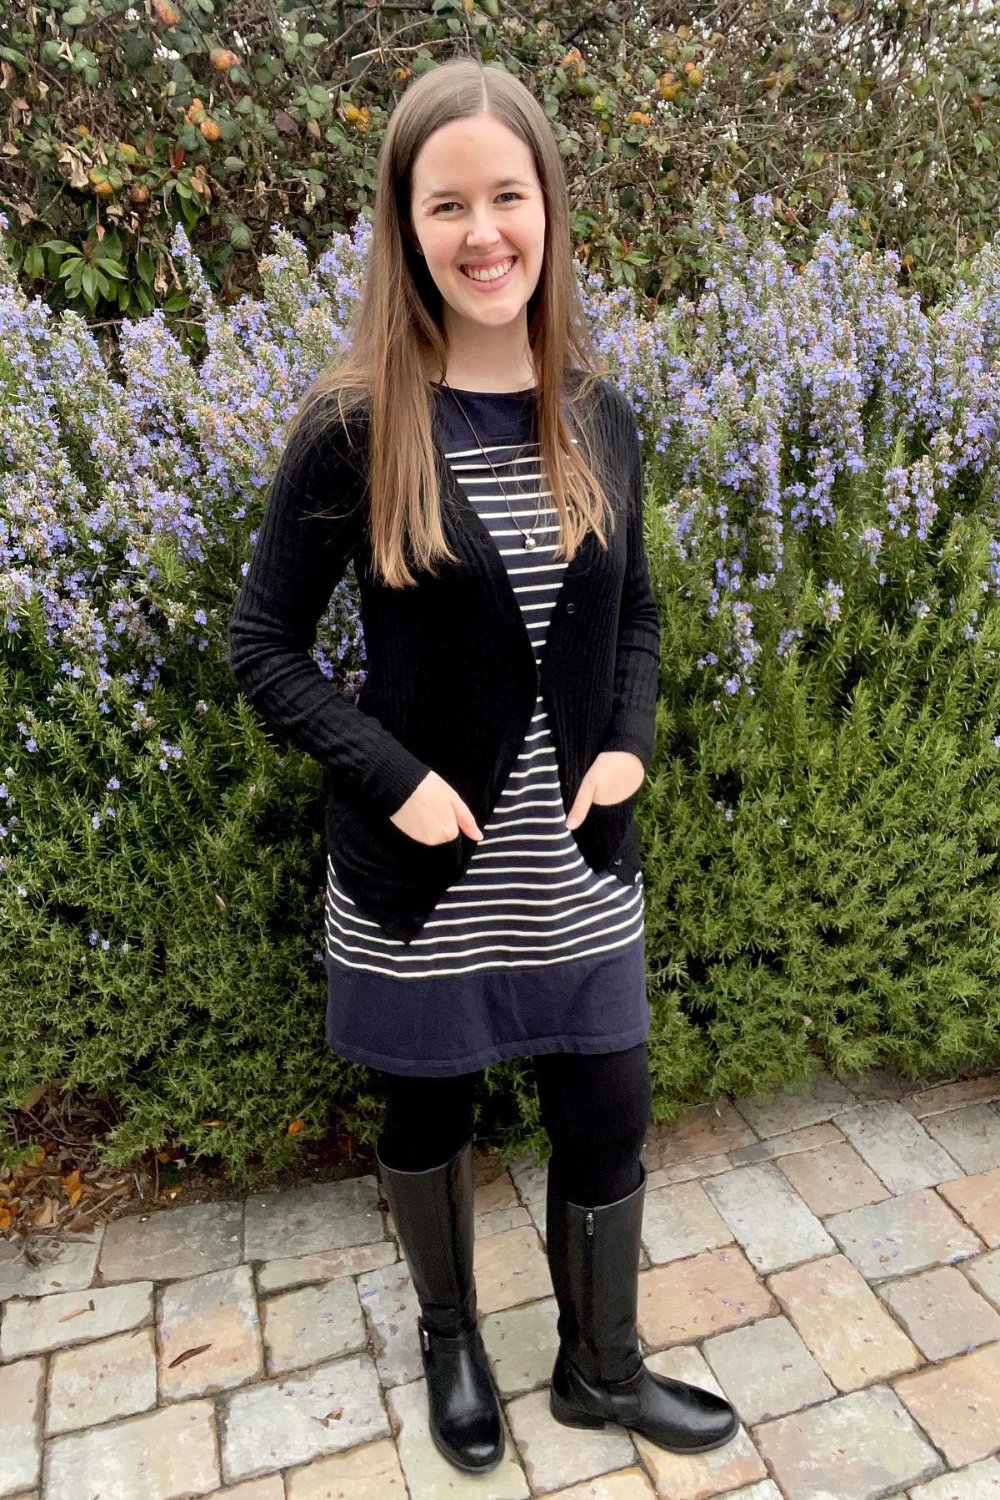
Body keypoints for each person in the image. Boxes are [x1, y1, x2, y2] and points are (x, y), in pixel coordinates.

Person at [229, 55, 737, 1477]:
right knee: (428, 1108)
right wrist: (390, 775)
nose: (483, 231)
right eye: (446, 203)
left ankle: (602, 1368)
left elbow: (633, 614)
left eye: (507, 195)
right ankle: (452, 1338)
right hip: (423, 886)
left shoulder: (600, 417)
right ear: (405, 225)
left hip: (571, 875)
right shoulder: (354, 425)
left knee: (611, 1108)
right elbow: (263, 645)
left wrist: (628, 745)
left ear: (549, 210)